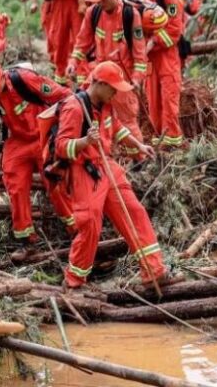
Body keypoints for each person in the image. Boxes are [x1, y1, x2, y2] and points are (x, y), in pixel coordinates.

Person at [54, 61, 168, 290]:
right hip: (86, 170)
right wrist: (85, 141)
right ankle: (74, 281)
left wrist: (138, 145)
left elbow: (116, 129)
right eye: (113, 88)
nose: (116, 92)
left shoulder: (106, 104)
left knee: (134, 211)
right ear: (100, 84)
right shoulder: (75, 108)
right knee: (90, 221)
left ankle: (154, 271)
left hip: (108, 166)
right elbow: (61, 146)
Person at [0, 60, 75, 241]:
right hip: (18, 140)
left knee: (54, 182)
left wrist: (66, 131)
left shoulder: (24, 79)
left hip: (43, 135)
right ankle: (26, 237)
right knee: (15, 184)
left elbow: (64, 95)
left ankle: (75, 227)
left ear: (2, 77)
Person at [67, 0, 147, 154]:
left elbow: (140, 52)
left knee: (127, 119)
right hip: (99, 73)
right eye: (97, 0)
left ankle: (137, 161)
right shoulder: (93, 13)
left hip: (122, 77)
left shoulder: (129, 14)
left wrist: (136, 79)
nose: (100, 3)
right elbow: (82, 42)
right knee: (87, 109)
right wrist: (73, 61)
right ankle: (100, 155)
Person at [129, 0, 184, 149]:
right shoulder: (135, 2)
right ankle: (159, 140)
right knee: (152, 101)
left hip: (167, 57)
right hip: (149, 59)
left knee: (169, 98)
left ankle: (173, 142)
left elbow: (175, 30)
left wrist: (153, 41)